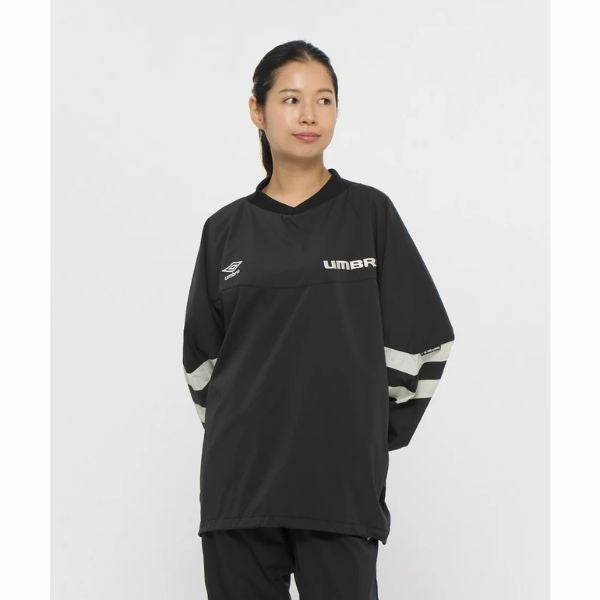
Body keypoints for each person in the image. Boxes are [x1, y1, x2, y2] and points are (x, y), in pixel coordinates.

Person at [182, 40, 455, 600]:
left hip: (340, 489)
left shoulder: (369, 214)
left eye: (323, 100)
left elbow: (425, 340)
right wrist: (246, 429)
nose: (309, 114)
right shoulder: (223, 231)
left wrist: (367, 434)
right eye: (290, 99)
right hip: (240, 492)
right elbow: (202, 362)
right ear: (257, 111)